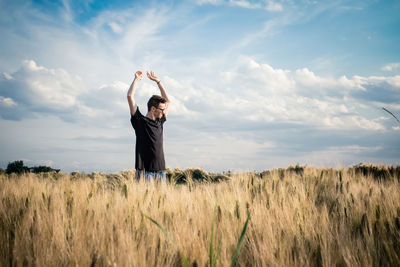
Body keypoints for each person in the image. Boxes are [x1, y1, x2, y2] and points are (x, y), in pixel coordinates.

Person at [127, 70, 170, 182]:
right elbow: (130, 96)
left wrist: (158, 81)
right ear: (153, 109)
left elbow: (168, 101)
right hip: (145, 172)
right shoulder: (140, 121)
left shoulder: (160, 122)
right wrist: (136, 79)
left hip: (161, 172)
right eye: (162, 109)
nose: (164, 111)